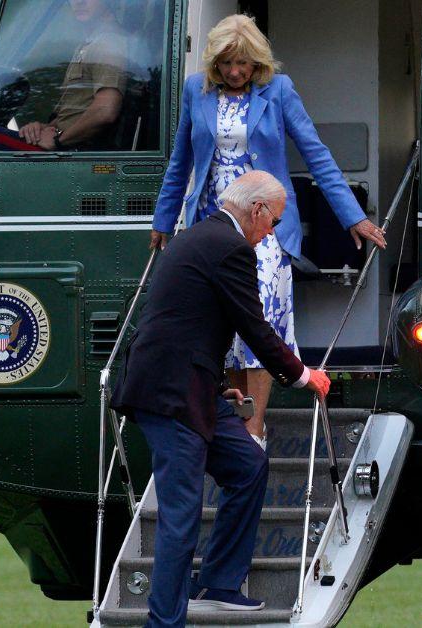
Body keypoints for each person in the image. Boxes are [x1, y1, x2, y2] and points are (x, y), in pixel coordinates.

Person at [150, 14, 386, 450]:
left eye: (241, 64)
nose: (233, 72)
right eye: (224, 65)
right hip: (213, 225)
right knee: (226, 324)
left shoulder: (278, 90)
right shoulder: (195, 89)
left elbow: (316, 154)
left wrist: (353, 217)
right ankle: (237, 424)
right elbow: (180, 160)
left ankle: (254, 429)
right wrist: (163, 222)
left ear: (256, 60)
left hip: (265, 228)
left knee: (263, 320)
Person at [112, 171, 332, 627]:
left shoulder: (199, 238)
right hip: (171, 396)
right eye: (273, 222)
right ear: (256, 211)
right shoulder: (229, 247)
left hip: (189, 387)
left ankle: (220, 584)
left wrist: (212, 386)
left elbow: (183, 325)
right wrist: (303, 374)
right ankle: (164, 623)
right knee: (180, 516)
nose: (271, 233)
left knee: (248, 466)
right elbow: (254, 326)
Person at [0, 0, 127, 151]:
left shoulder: (108, 44)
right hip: (64, 143)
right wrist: (44, 128)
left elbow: (105, 111)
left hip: (71, 150)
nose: (78, 2)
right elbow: (73, 113)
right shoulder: (89, 44)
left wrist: (58, 141)